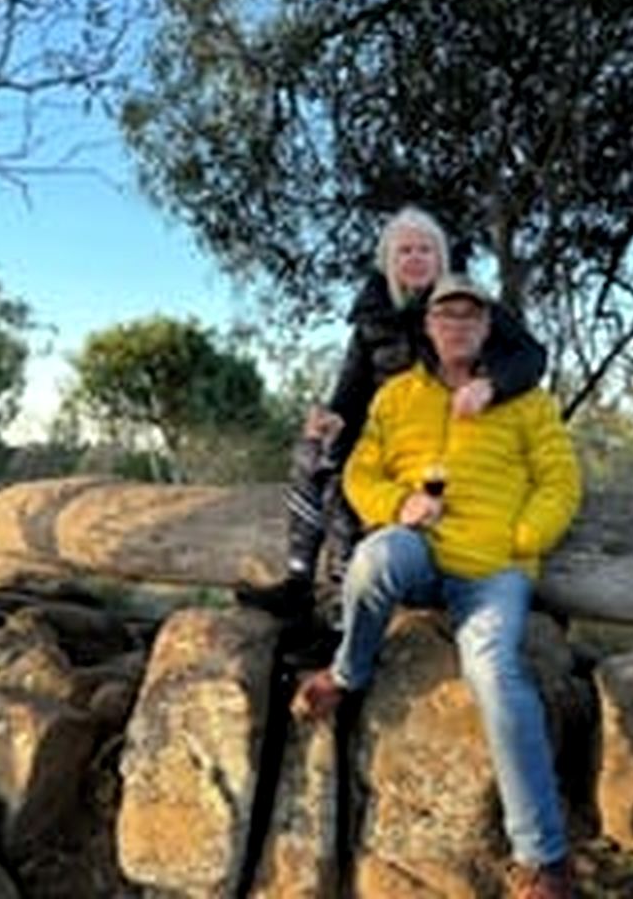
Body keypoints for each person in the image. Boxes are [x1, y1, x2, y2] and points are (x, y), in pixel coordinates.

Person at [292, 275, 581, 899]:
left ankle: (544, 861)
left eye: (469, 317)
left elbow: (561, 481)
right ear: (427, 326)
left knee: (495, 674)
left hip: (492, 571)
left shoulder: (525, 401)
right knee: (374, 559)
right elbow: (360, 472)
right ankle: (349, 673)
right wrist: (398, 506)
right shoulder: (396, 397)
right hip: (418, 554)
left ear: (485, 329)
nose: (457, 325)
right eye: (445, 315)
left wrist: (522, 538)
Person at [239, 207, 547, 624]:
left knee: (350, 489)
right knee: (314, 454)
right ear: (388, 262)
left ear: (441, 258)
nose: (415, 258)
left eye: (425, 250)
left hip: (436, 441)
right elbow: (348, 394)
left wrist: (491, 387)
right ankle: (299, 584)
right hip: (380, 432)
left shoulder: (466, 305)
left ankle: (343, 614)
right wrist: (331, 419)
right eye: (405, 251)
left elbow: (532, 356)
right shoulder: (371, 318)